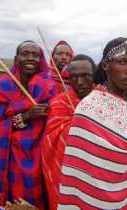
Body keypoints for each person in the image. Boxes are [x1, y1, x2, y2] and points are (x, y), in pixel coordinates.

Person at [57, 38, 127, 210]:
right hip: (96, 198)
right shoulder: (88, 109)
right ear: (106, 65)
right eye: (122, 62)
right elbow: (81, 171)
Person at [0, 40, 57, 210]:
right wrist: (26, 116)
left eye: (35, 55)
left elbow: (57, 120)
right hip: (10, 155)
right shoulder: (5, 85)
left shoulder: (49, 86)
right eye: (25, 54)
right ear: (16, 58)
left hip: (41, 153)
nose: (30, 58)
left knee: (39, 194)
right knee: (14, 196)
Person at [41, 54, 95, 210]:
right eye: (74, 77)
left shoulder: (105, 101)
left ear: (95, 76)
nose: (79, 82)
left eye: (86, 76)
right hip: (66, 173)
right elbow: (51, 142)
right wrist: (82, 121)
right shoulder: (59, 103)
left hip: (97, 174)